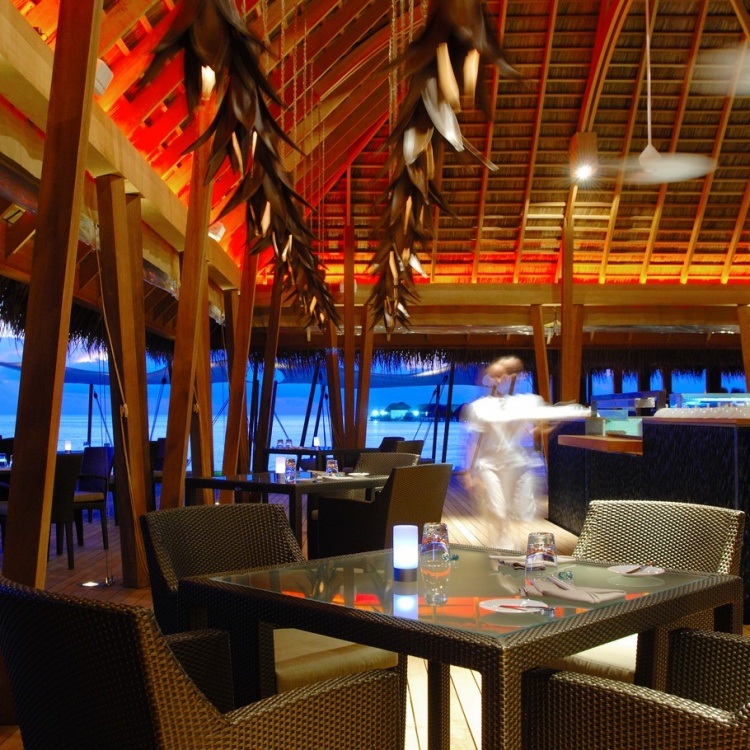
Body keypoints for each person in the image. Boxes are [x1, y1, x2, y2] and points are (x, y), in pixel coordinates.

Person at [462, 357, 587, 550]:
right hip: (489, 465)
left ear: (511, 377)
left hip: (517, 465)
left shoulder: (526, 402)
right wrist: (468, 471)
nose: (496, 380)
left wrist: (564, 419)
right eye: (492, 376)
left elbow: (537, 429)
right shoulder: (479, 407)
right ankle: (502, 549)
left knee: (515, 512)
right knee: (497, 509)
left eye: (500, 375)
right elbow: (473, 441)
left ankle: (507, 548)